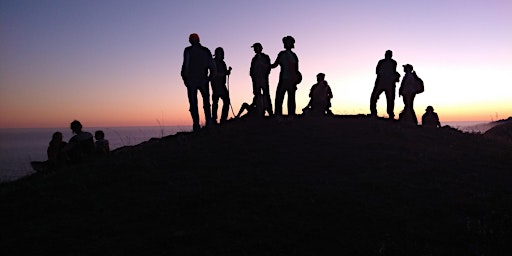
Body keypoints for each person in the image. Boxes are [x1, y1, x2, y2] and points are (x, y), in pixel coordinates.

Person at [181, 33, 217, 132]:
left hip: (193, 81)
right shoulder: (205, 51)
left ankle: (197, 125)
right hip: (202, 80)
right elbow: (213, 67)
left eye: (191, 39)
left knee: (194, 103)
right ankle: (207, 123)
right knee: (204, 102)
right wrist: (210, 78)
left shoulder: (188, 50)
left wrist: (185, 79)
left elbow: (185, 66)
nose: (190, 40)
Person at [271, 35, 301, 117]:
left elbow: (296, 70)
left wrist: (296, 80)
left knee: (291, 98)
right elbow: (275, 64)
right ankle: (278, 115)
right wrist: (267, 66)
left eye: (288, 42)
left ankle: (291, 115)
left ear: (292, 44)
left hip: (291, 81)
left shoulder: (294, 56)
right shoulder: (281, 54)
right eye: (285, 42)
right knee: (279, 98)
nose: (286, 43)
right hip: (283, 79)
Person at [370, 50, 399, 119]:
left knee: (390, 99)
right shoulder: (382, 62)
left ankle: (390, 114)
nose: (387, 55)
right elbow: (377, 71)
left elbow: (378, 71)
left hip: (388, 84)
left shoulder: (393, 62)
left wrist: (394, 76)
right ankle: (374, 113)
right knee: (375, 98)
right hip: (382, 83)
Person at [250, 42, 273, 117]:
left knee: (266, 95)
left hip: (264, 80)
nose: (254, 49)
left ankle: (270, 112)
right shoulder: (254, 59)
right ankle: (260, 113)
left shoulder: (265, 57)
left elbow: (269, 67)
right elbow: (251, 72)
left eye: (255, 48)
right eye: (254, 48)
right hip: (256, 81)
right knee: (258, 96)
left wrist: (262, 66)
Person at [211, 47, 232, 124]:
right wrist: (225, 73)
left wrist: (228, 71)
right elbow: (214, 73)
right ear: (216, 53)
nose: (220, 54)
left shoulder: (223, 63)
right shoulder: (213, 62)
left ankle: (223, 119)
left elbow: (223, 73)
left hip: (222, 85)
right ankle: (214, 120)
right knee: (215, 103)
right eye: (219, 53)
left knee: (226, 101)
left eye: (221, 53)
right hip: (215, 85)